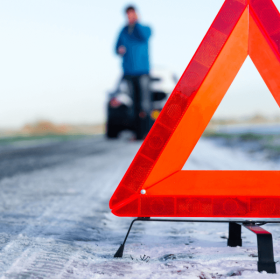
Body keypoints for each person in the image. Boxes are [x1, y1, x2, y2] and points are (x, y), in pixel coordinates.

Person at [115, 5, 152, 140]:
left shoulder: (144, 28)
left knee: (145, 104)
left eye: (132, 14)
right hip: (129, 72)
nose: (130, 17)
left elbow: (144, 36)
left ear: (136, 14)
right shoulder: (123, 31)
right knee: (134, 104)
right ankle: (137, 134)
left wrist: (136, 23)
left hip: (143, 71)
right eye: (128, 15)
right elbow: (116, 47)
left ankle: (146, 133)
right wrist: (119, 49)